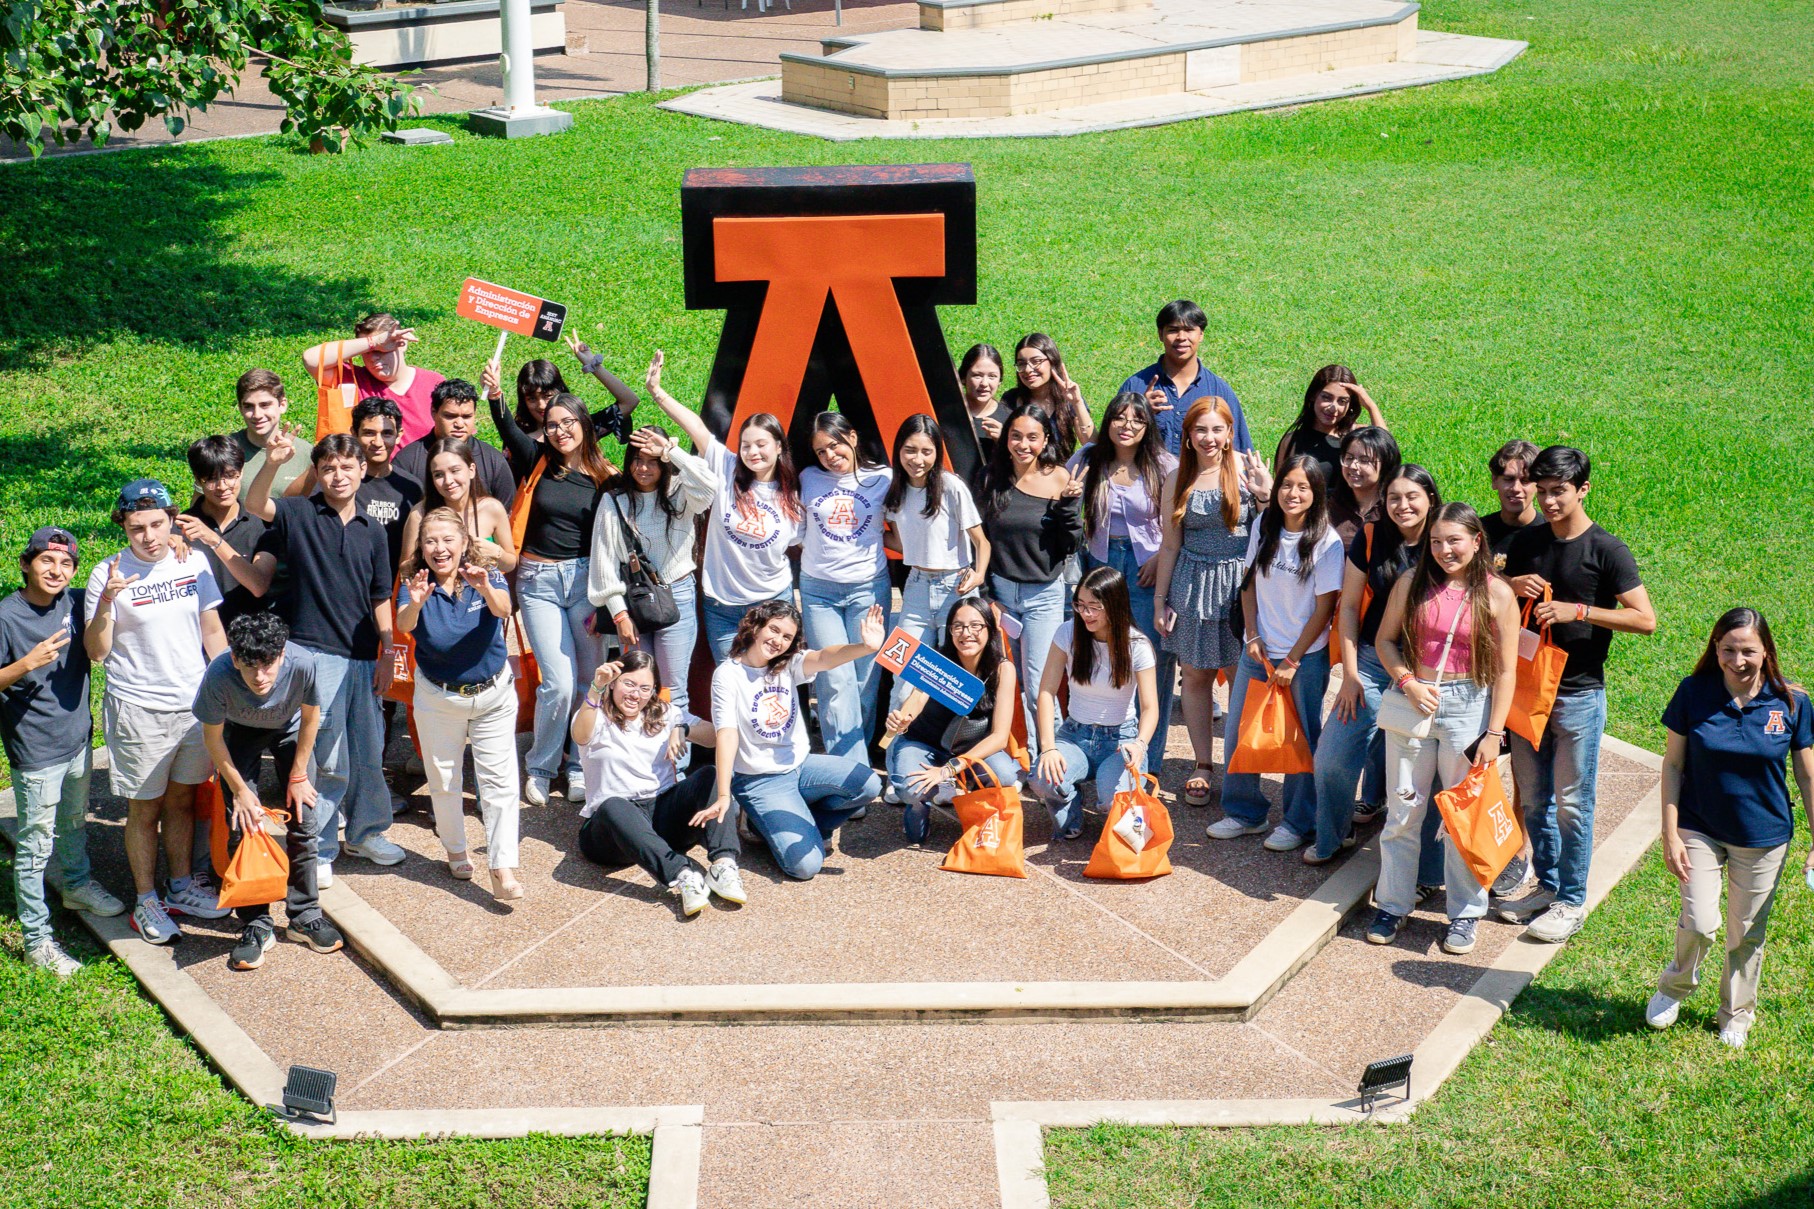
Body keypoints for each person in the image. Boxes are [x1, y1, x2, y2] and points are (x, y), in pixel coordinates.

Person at [211, 432, 405, 882]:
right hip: (316, 652)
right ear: (317, 472)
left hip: (363, 653)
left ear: (362, 471)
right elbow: (256, 503)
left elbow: (380, 594)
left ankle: (367, 832)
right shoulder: (299, 513)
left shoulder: (374, 530)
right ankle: (319, 847)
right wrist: (273, 462)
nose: (338, 476)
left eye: (347, 467)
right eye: (329, 468)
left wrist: (387, 647)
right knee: (328, 756)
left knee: (369, 748)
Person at [1497, 446, 1656, 943]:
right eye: (1542, 491)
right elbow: (1494, 596)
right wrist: (1510, 583)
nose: (1548, 502)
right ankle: (1547, 886)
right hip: (1529, 690)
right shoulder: (1528, 541)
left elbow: (1645, 619)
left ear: (1583, 489)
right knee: (1534, 800)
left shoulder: (1607, 550)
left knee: (1572, 804)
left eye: (1558, 492)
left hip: (1578, 696)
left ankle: (1571, 901)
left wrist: (1579, 611)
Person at [1645, 608, 1814, 1049]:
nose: (1737, 661)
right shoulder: (1693, 693)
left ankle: (1737, 1012)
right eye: (1728, 650)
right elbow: (1673, 765)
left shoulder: (1792, 703)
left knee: (1746, 932)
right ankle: (1675, 987)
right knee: (1700, 922)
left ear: (1766, 652)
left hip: (1763, 837)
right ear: (1715, 649)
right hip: (1699, 827)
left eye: (1748, 651)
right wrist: (1670, 833)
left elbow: (1807, 775)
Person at [1366, 503, 1520, 954]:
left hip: (1468, 705)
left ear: (1476, 540)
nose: (1444, 550)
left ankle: (1465, 913)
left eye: (1454, 540)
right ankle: (1392, 904)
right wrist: (1408, 682)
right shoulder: (1410, 583)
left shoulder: (1498, 594)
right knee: (1403, 811)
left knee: (1462, 817)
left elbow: (1507, 671)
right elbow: (1385, 640)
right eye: (1436, 541)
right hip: (1415, 701)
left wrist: (1494, 735)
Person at [84, 479, 230, 944]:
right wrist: (107, 600)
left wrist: (228, 689)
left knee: (183, 800)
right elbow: (96, 652)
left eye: (156, 524)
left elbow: (212, 631)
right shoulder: (107, 573)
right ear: (123, 528)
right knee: (144, 809)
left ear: (172, 520)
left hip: (193, 706)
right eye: (136, 528)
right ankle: (145, 899)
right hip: (139, 709)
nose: (148, 536)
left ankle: (181, 886)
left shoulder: (194, 561)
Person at [1, 528, 123, 976]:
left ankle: (76, 885)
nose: (56, 571)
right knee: (35, 847)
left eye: (66, 564)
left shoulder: (76, 602)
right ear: (25, 564)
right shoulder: (6, 616)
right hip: (35, 750)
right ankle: (37, 942)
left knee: (73, 821)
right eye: (46, 561)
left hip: (78, 741)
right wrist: (25, 664)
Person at [1309, 465, 1443, 865]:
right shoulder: (1371, 537)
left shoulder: (1444, 539)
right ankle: (1334, 835)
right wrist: (1349, 675)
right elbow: (1349, 607)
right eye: (1394, 498)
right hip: (1370, 660)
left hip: (1427, 667)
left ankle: (1421, 865)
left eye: (1412, 497)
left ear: (1430, 498)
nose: (1403, 506)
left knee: (1424, 772)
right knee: (1331, 758)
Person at [491, 388, 617, 807]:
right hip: (538, 582)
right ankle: (542, 767)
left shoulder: (606, 477)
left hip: (586, 583)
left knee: (588, 681)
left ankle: (579, 765)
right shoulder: (538, 460)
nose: (560, 431)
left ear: (584, 423)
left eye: (567, 422)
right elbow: (507, 429)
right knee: (559, 683)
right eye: (551, 425)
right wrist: (496, 396)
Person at [194, 613, 340, 968]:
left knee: (304, 819)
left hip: (291, 729)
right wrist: (241, 791)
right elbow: (213, 739)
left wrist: (299, 775)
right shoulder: (218, 674)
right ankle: (255, 922)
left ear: (282, 655)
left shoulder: (302, 662)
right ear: (234, 659)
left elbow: (311, 716)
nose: (260, 677)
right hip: (239, 732)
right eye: (250, 667)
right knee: (243, 823)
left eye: (268, 665)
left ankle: (305, 915)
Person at [394, 509, 523, 901]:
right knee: (444, 779)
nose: (440, 548)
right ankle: (455, 850)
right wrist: (416, 603)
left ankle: (502, 866)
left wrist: (485, 588)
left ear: (464, 542)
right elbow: (404, 624)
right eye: (430, 541)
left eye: (448, 540)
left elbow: (504, 609)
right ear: (421, 547)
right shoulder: (415, 579)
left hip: (493, 694)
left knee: (499, 782)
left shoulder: (484, 572)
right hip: (439, 697)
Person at [645, 351, 803, 663]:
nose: (753, 452)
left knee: (773, 681)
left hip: (773, 605)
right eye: (746, 445)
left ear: (778, 446)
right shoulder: (726, 466)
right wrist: (657, 392)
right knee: (730, 682)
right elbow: (696, 428)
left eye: (761, 444)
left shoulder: (793, 495)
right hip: (722, 607)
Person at [1152, 397, 1271, 812]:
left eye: (1217, 429)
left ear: (1229, 433)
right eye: (1200, 429)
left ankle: (1239, 764)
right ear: (1187, 435)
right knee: (1195, 675)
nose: (1209, 438)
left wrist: (1265, 496)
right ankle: (1203, 763)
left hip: (1240, 587)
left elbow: (1274, 529)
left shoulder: (1247, 469)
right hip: (1192, 584)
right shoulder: (1177, 477)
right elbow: (1170, 544)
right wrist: (1160, 599)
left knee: (1243, 678)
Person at [1219, 457, 1344, 850]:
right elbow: (1249, 585)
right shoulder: (1264, 524)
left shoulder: (1328, 542)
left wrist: (1292, 659)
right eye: (1287, 484)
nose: (1293, 493)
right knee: (1240, 731)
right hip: (1258, 652)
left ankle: (1298, 821)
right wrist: (1252, 634)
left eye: (1303, 487)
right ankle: (1245, 813)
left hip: (1304, 659)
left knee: (1301, 738)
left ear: (1316, 493)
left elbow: (1324, 609)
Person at [709, 601, 884, 880]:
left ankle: (813, 826)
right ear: (756, 627)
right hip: (760, 780)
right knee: (805, 867)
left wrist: (865, 647)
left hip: (801, 766)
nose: (778, 641)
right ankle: (755, 823)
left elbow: (824, 657)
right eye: (773, 630)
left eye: (787, 637)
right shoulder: (728, 675)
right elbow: (727, 734)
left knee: (868, 784)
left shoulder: (788, 664)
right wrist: (723, 794)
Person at [574, 652, 744, 917]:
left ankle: (723, 865)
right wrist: (596, 688)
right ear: (614, 682)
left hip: (662, 813)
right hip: (613, 831)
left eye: (645, 688)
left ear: (654, 690)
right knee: (612, 805)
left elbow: (714, 737)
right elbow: (579, 734)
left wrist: (683, 729)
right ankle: (682, 875)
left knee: (709, 775)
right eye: (629, 684)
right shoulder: (595, 714)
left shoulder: (665, 713)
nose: (635, 695)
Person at [1068, 392, 1177, 775]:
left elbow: (1179, 521)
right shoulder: (1090, 458)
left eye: (1137, 419)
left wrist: (1160, 557)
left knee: (1151, 658)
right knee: (1101, 653)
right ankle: (1099, 750)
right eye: (1119, 417)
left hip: (1146, 568)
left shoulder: (1164, 465)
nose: (1127, 426)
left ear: (1148, 426)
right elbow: (1059, 490)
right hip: (1100, 564)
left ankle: (1149, 759)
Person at [589, 425, 717, 715]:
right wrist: (619, 615)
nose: (644, 468)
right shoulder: (615, 501)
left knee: (673, 691)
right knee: (634, 688)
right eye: (637, 460)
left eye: (652, 461)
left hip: (677, 596)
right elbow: (604, 564)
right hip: (633, 602)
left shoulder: (680, 492)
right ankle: (641, 745)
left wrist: (671, 451)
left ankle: (674, 747)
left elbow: (709, 486)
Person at [882, 595, 1022, 847]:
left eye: (975, 625)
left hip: (971, 747)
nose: (966, 633)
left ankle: (976, 803)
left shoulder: (1003, 669)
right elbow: (917, 698)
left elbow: (1000, 737)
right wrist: (902, 719)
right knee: (910, 789)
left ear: (989, 629)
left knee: (1005, 775)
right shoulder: (939, 661)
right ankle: (918, 806)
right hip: (925, 743)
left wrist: (950, 768)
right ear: (949, 631)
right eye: (958, 626)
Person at [1033, 567, 1161, 840]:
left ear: (1114, 605)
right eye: (1080, 605)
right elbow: (1046, 690)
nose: (1085, 613)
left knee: (1117, 808)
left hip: (1120, 739)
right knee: (1042, 778)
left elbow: (1150, 707)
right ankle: (1071, 804)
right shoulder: (1067, 633)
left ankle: (1111, 799)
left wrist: (1140, 745)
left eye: (1094, 607)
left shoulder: (1137, 645)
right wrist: (1048, 747)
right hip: (1074, 734)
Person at [980, 403, 1083, 735]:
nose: (1023, 445)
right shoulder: (990, 478)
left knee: (1040, 687)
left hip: (1044, 596)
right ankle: (1016, 753)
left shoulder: (1060, 478)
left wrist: (1068, 506)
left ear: (1046, 439)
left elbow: (1071, 544)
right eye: (1016, 436)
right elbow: (978, 540)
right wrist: (987, 597)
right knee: (1007, 682)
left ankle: (1050, 757)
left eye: (1032, 437)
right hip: (1000, 595)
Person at [798, 412, 894, 759]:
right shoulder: (808, 478)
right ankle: (848, 771)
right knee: (834, 679)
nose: (829, 456)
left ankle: (857, 761)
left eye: (834, 445)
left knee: (865, 681)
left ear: (852, 438)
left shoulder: (883, 478)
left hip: (868, 590)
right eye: (821, 451)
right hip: (818, 591)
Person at [882, 415, 989, 710]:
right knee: (902, 674)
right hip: (916, 587)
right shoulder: (896, 489)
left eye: (926, 451)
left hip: (956, 587)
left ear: (937, 453)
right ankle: (896, 739)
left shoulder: (950, 485)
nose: (917, 460)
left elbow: (982, 542)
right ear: (898, 450)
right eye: (910, 450)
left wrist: (979, 574)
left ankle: (956, 740)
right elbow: (901, 544)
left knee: (954, 678)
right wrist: (860, 533)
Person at [1117, 300, 1252, 457]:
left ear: (1201, 334)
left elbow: (1240, 453)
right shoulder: (1135, 386)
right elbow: (1111, 447)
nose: (1181, 337)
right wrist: (1140, 412)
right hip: (1147, 473)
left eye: (1189, 330)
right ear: (1160, 334)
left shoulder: (1219, 391)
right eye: (1173, 330)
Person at [482, 336, 640, 461]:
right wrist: (494, 390)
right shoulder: (518, 432)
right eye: (532, 399)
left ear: (560, 392)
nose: (541, 405)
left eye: (547, 396)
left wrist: (593, 365)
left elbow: (629, 401)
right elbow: (505, 424)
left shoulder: (581, 429)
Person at [301, 313, 445, 446]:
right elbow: (311, 359)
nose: (374, 358)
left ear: (402, 343)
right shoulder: (351, 379)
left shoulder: (433, 382)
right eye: (367, 352)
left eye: (381, 350)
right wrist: (373, 342)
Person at [178, 436, 269, 629]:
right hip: (196, 636)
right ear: (198, 480)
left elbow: (258, 586)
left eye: (230, 475)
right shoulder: (180, 528)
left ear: (241, 472)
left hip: (248, 636)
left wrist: (214, 540)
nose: (222, 486)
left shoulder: (261, 525)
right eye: (211, 479)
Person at [397, 437, 517, 573]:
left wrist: (496, 552)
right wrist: (426, 555)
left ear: (471, 470)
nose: (448, 481)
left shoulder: (492, 508)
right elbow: (405, 568)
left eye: (455, 471)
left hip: (483, 585)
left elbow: (510, 564)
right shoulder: (420, 513)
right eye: (438, 475)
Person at [390, 379, 514, 509]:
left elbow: (509, 513)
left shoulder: (493, 460)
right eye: (450, 416)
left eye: (466, 416)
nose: (459, 424)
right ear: (434, 412)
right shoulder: (407, 461)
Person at [1272, 366, 1387, 485]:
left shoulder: (1356, 437)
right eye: (1326, 397)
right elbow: (1280, 487)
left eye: (1342, 401)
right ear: (1313, 395)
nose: (1333, 408)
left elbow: (1388, 453)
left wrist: (1371, 406)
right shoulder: (1292, 441)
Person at [1001, 334, 1094, 458]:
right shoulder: (1011, 399)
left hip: (1061, 469)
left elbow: (1092, 446)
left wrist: (1077, 403)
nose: (1028, 369)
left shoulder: (1068, 400)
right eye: (1021, 363)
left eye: (1036, 361)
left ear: (1052, 362)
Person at [232, 369, 313, 501]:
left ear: (282, 405)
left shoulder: (306, 454)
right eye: (248, 406)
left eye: (265, 405)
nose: (257, 415)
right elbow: (201, 505)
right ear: (240, 408)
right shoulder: (225, 449)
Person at [1327, 426, 1400, 546]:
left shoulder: (1395, 507)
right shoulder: (1329, 504)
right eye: (1349, 458)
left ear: (1386, 463)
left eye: (1364, 460)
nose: (1353, 466)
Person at [1482, 439, 1543, 567]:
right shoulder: (1479, 533)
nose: (1516, 488)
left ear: (1538, 485)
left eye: (1525, 481)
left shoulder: (1551, 534)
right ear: (1494, 481)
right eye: (1509, 479)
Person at [959, 344, 1010, 475]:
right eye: (977, 375)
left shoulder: (1010, 419)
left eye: (992, 376)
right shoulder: (947, 414)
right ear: (963, 377)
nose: (984, 383)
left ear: (1000, 381)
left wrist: (1005, 442)